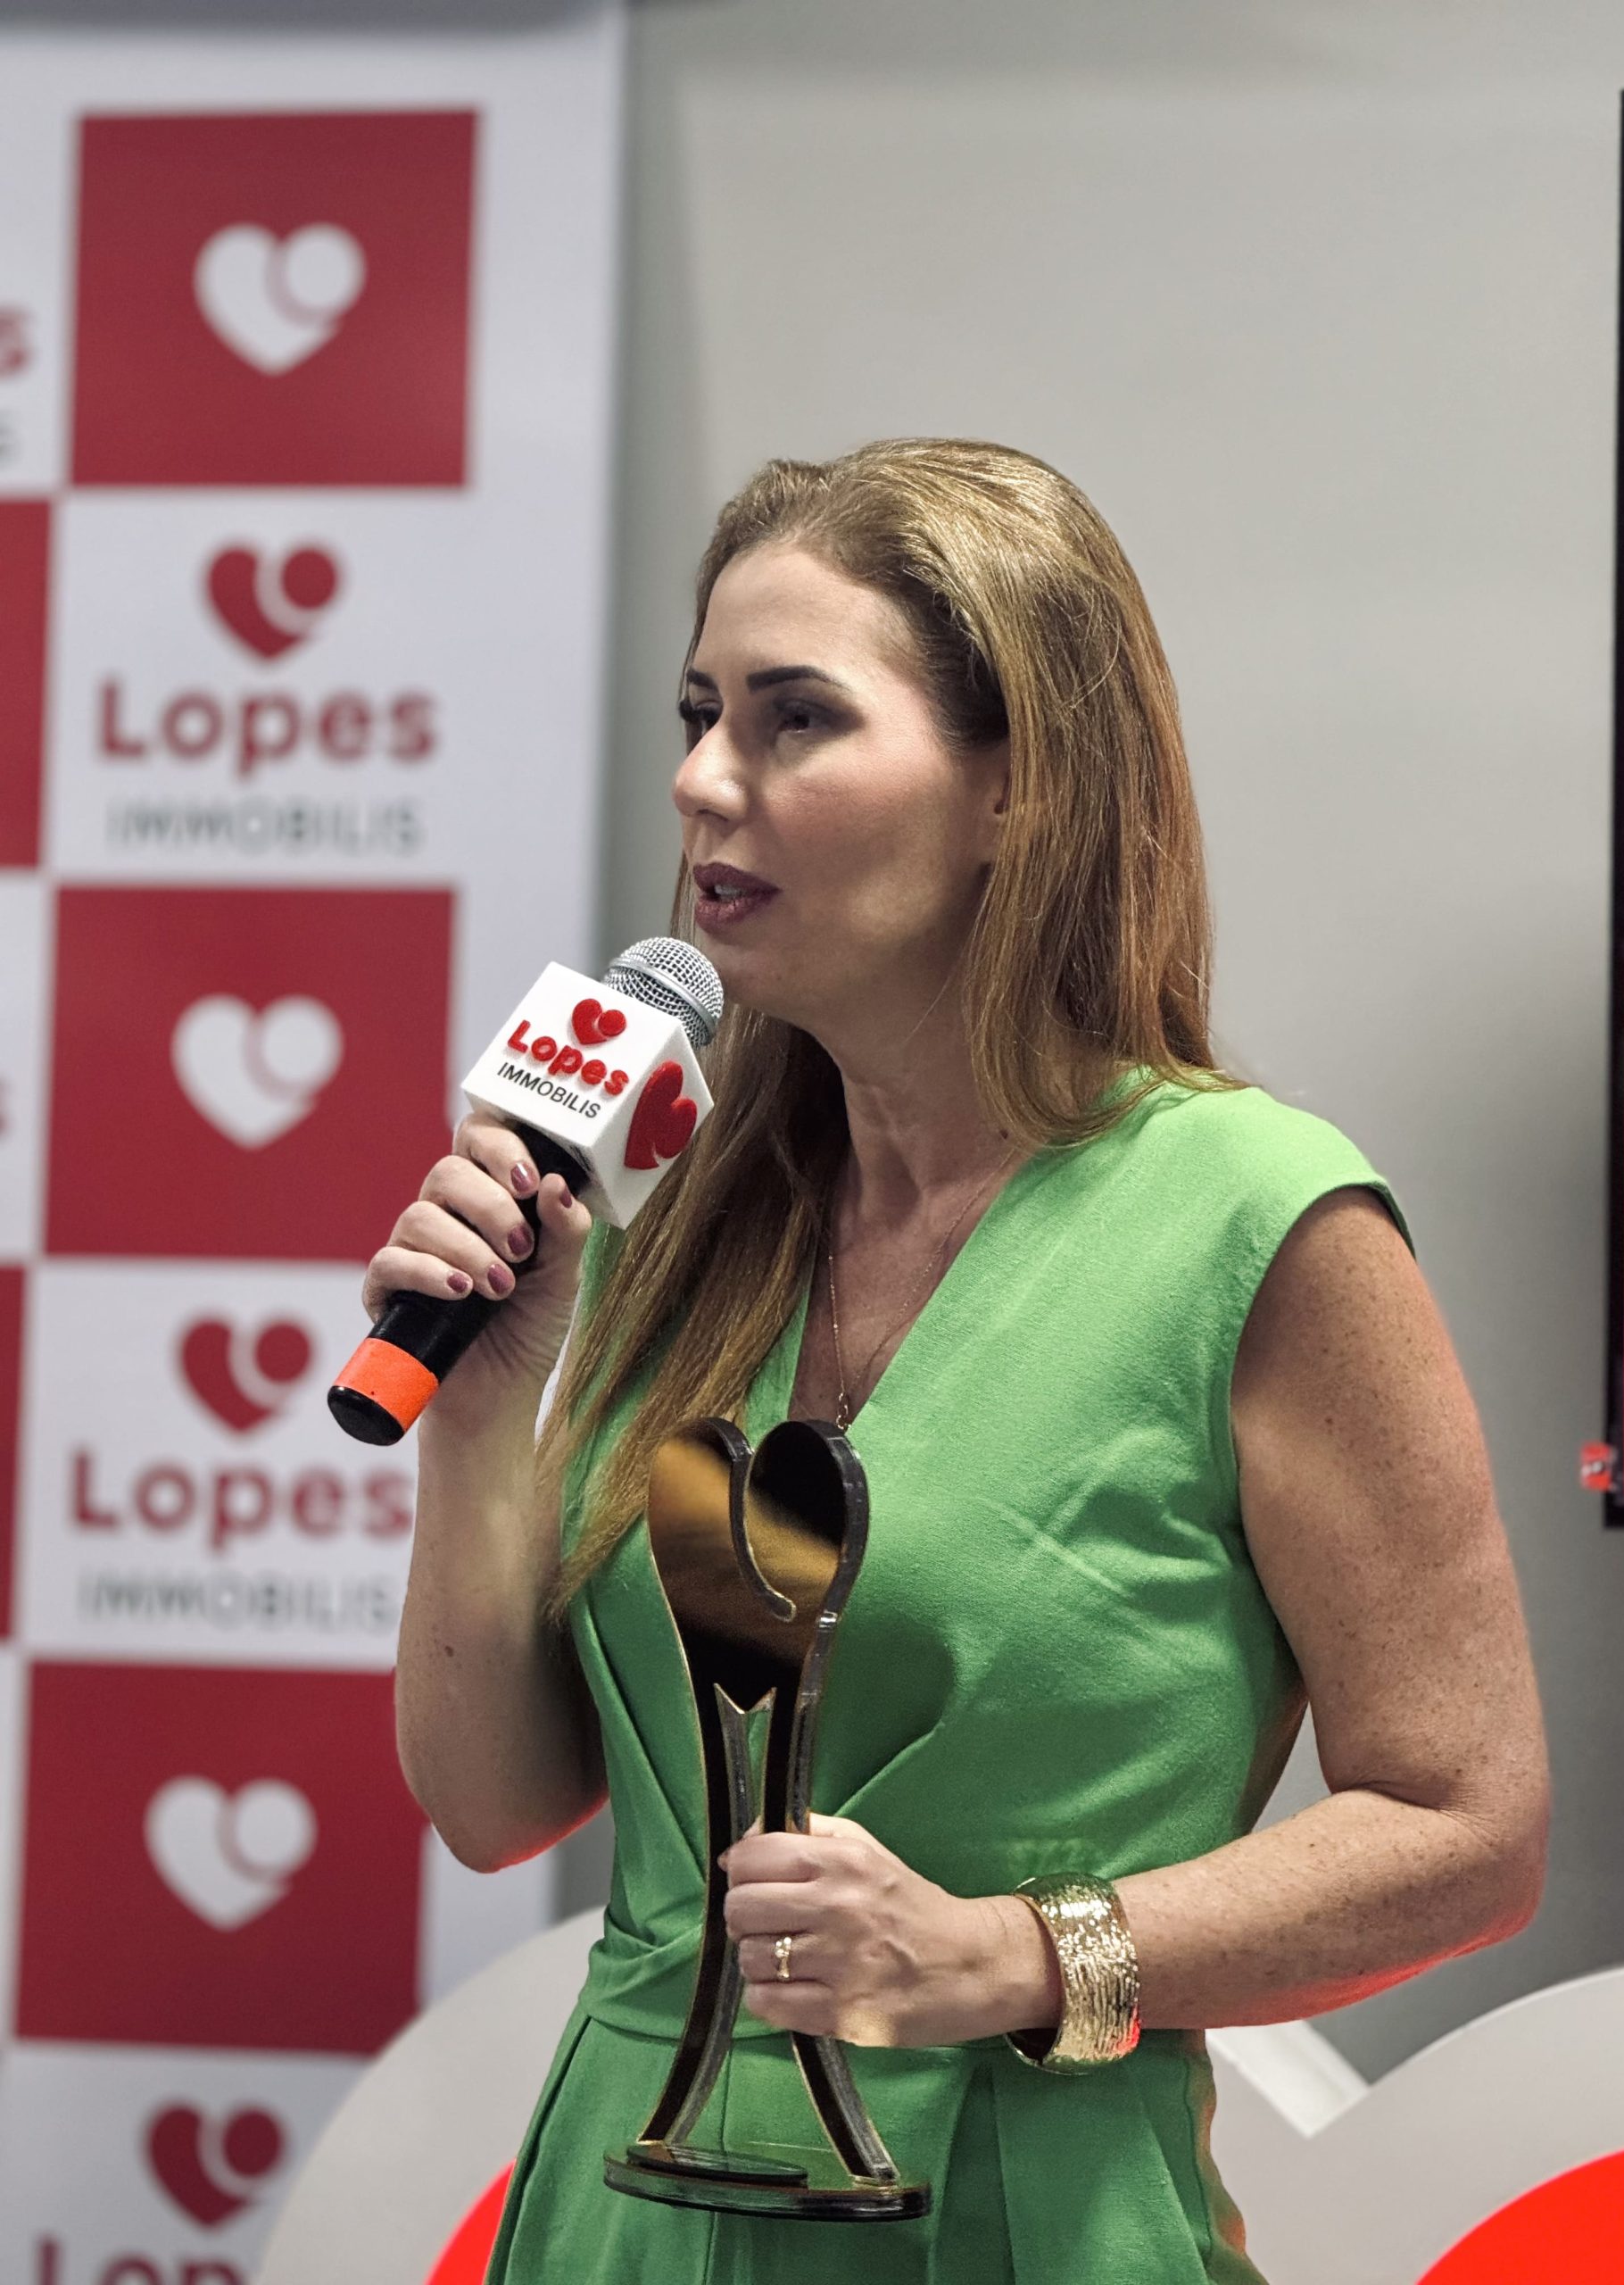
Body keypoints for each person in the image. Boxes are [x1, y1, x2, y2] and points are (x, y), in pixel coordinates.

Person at [375, 438, 1549, 2283]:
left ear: (1020, 788)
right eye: (699, 713)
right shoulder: (695, 1215)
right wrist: (484, 1409)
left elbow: (1466, 1830)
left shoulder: (1258, 1220)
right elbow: (493, 1801)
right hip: (618, 2217)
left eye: (795, 717)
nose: (702, 778)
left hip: (1012, 2217)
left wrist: (1010, 1953)